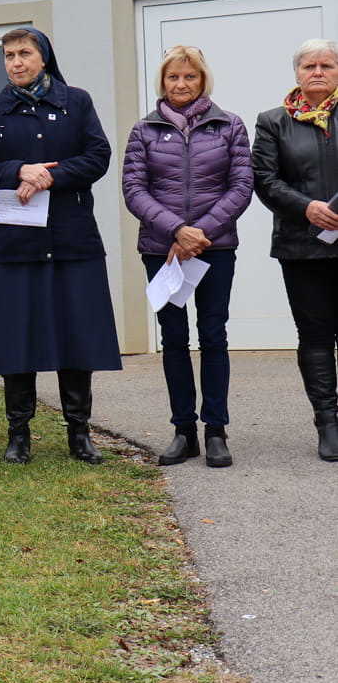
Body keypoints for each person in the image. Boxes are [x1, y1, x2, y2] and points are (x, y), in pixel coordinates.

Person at [0, 27, 121, 465]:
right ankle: (19, 434)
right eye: (9, 55)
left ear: (43, 57)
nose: (16, 62)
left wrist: (52, 175)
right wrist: (18, 170)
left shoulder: (76, 102)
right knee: (17, 338)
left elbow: (98, 156)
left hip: (72, 240)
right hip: (15, 244)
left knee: (77, 336)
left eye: (24, 53)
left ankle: (79, 433)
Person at [123, 46, 252, 468]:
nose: (181, 84)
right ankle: (184, 431)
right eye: (173, 77)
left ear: (203, 80)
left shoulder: (229, 125)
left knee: (213, 335)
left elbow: (241, 186)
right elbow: (134, 190)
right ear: (162, 82)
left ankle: (216, 431)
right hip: (162, 251)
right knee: (174, 339)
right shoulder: (144, 130)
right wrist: (177, 231)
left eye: (190, 76)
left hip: (215, 248)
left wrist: (200, 233)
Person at [252, 38, 338, 461]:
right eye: (309, 66)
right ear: (297, 73)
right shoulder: (273, 121)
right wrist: (307, 207)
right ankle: (328, 422)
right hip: (301, 247)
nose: (317, 72)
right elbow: (264, 179)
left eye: (326, 65)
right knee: (316, 336)